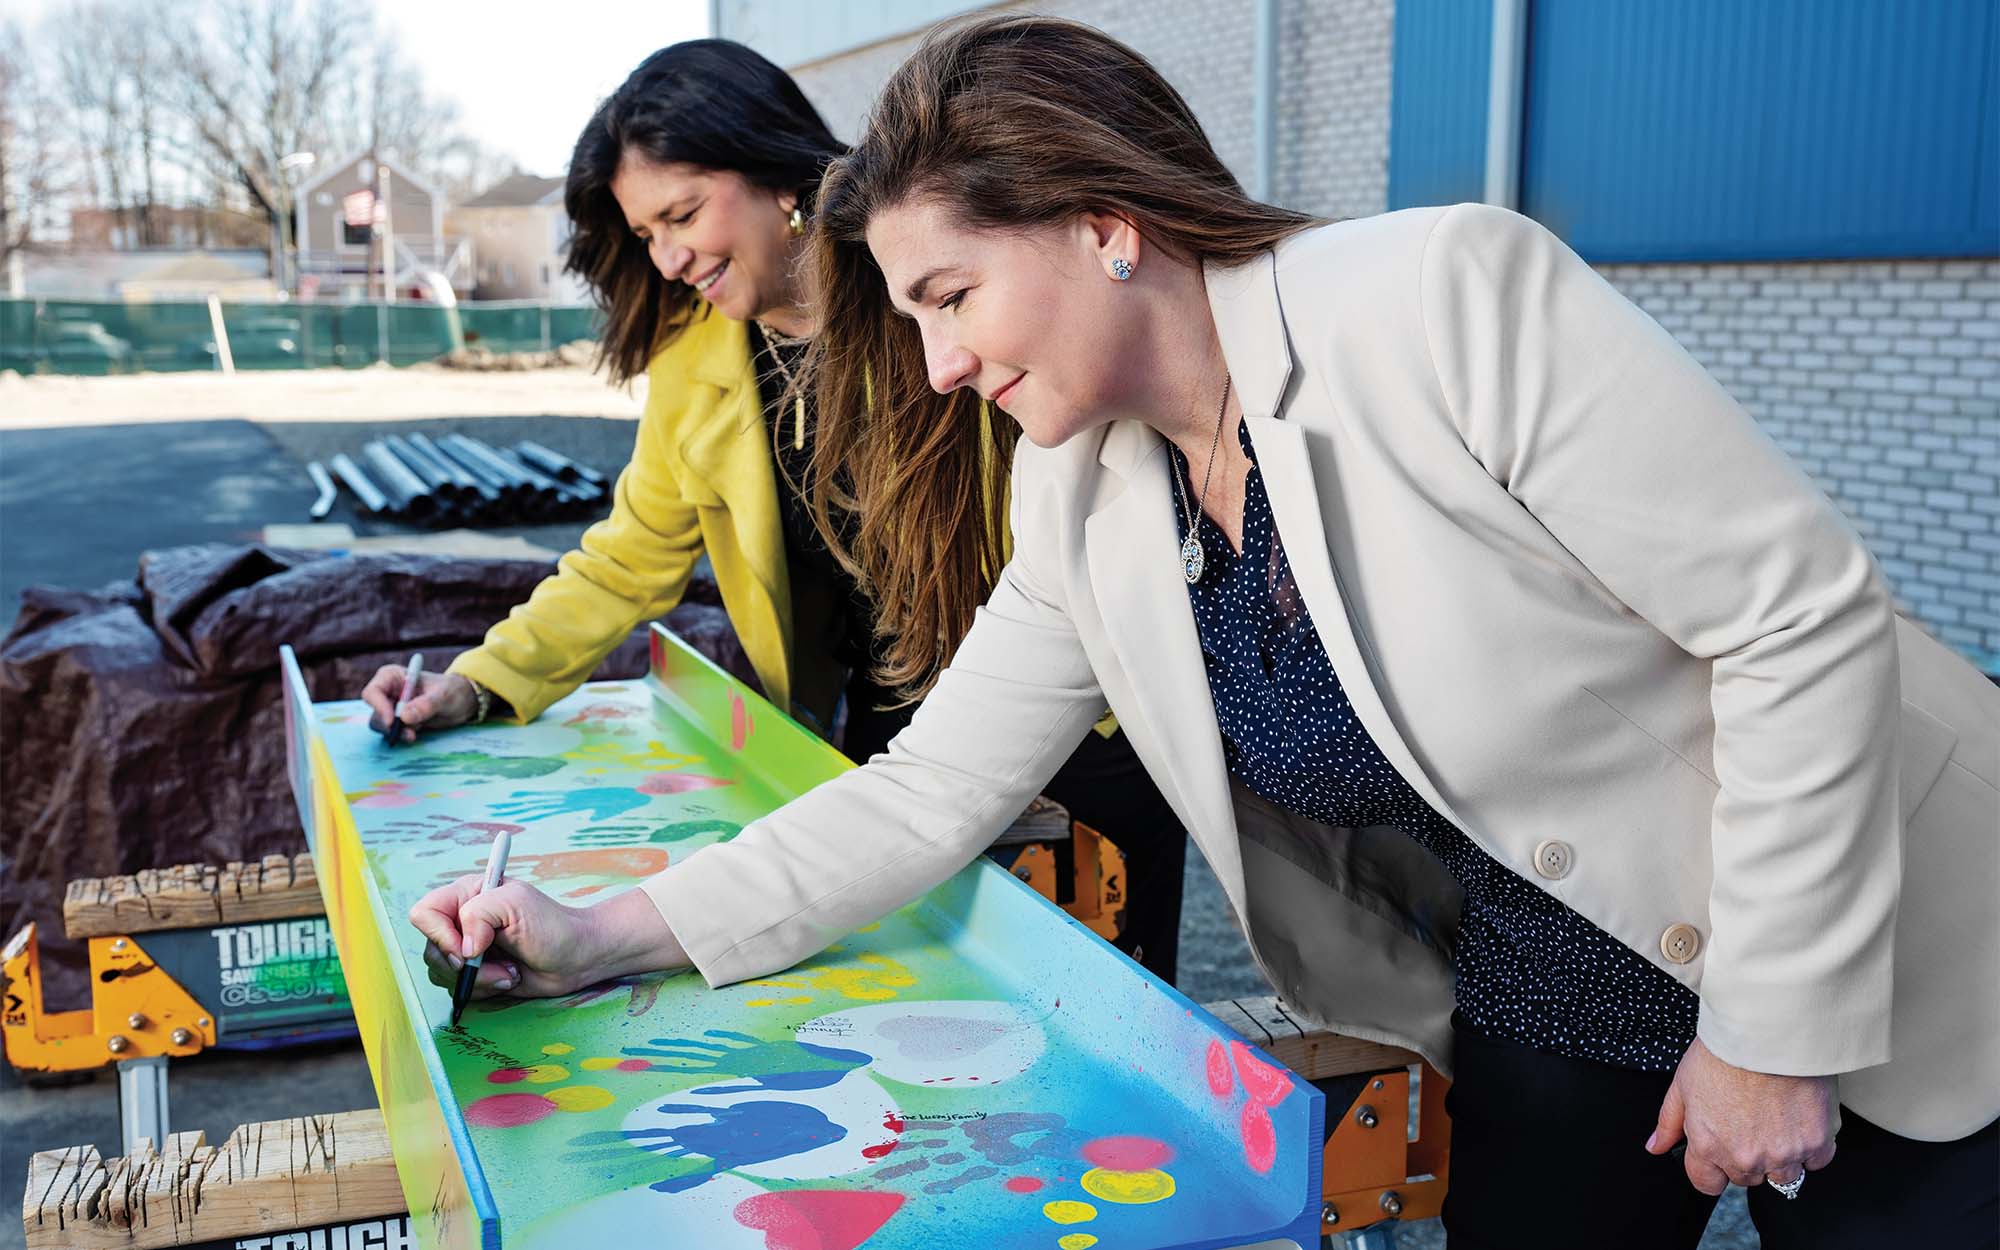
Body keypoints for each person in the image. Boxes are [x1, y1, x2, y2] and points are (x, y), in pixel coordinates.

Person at [409, 17, 1998, 1248]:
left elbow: (1797, 622)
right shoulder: (1086, 494)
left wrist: (1773, 1026)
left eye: (952, 295)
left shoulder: (1440, 298)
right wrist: (599, 932)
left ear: (1104, 224)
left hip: (1881, 928)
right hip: (1563, 972)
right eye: (909, 316)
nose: (939, 364)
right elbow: (923, 790)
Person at [363, 38, 1188, 980]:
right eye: (644, 237)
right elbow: (627, 558)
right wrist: (476, 682)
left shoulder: (934, 304)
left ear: (778, 178)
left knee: (1115, 1010)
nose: (669, 258)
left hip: (1081, 730)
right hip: (892, 739)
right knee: (935, 1014)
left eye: (682, 215)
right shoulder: (697, 366)